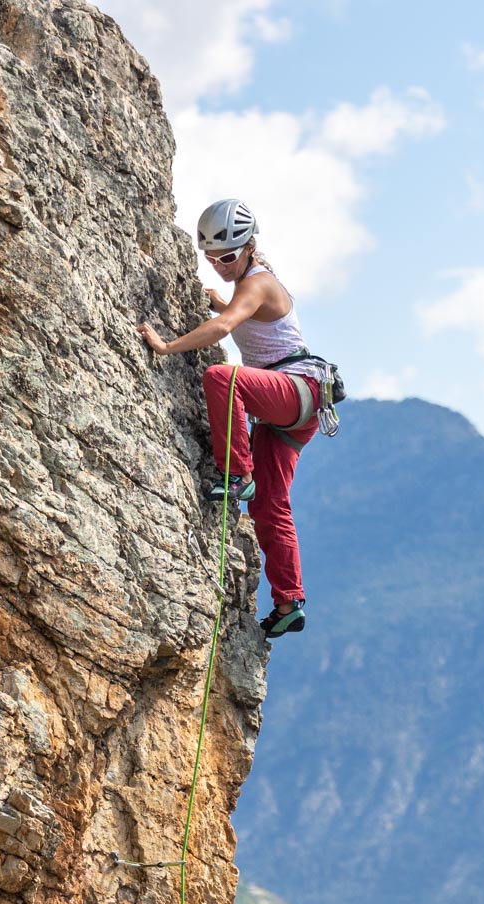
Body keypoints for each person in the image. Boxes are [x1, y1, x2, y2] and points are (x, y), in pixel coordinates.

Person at [136, 198, 318, 639]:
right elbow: (247, 316)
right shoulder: (247, 285)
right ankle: (288, 602)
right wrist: (224, 303)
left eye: (227, 257)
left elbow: (225, 328)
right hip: (297, 407)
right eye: (212, 258)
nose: (219, 265)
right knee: (269, 503)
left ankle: (236, 474)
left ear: (250, 247)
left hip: (296, 389)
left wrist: (166, 347)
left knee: (222, 378)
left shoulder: (258, 281)